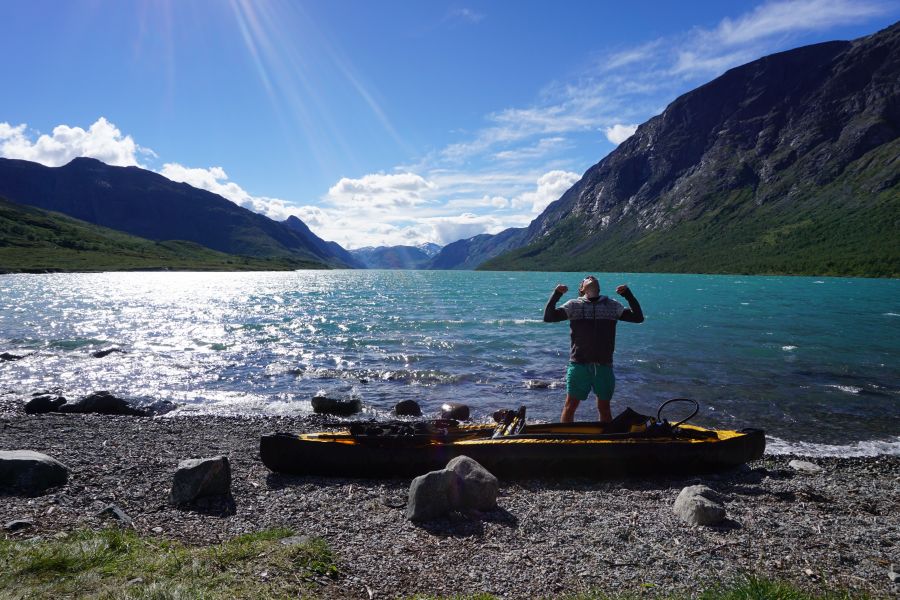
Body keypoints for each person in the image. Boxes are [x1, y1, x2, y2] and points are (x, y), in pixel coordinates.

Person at [543, 275, 644, 423]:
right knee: (570, 406)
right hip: (579, 365)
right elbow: (548, 317)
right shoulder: (573, 305)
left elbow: (638, 318)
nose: (590, 277)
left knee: (604, 408)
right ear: (581, 289)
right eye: (586, 278)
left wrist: (628, 295)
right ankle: (565, 439)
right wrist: (556, 294)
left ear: (598, 287)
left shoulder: (612, 305)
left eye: (593, 278)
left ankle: (606, 440)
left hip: (604, 366)